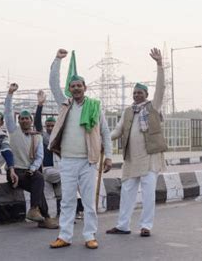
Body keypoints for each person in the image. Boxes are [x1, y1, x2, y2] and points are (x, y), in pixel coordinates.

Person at [48, 49, 113, 250]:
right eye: (73, 86)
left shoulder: (94, 107)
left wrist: (108, 156)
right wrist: (58, 59)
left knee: (88, 202)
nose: (76, 89)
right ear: (69, 89)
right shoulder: (65, 104)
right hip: (67, 160)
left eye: (79, 86)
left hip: (88, 161)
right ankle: (64, 235)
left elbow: (105, 133)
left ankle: (89, 235)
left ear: (85, 88)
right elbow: (52, 83)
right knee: (67, 201)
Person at [106, 48, 167, 238]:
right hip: (131, 159)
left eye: (140, 92)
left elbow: (161, 88)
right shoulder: (127, 111)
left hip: (149, 158)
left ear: (146, 94)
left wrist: (159, 65)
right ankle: (123, 225)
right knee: (127, 192)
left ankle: (146, 226)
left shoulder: (153, 107)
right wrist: (102, 139)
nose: (137, 95)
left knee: (148, 194)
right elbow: (118, 130)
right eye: (134, 93)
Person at [5, 83, 58, 229]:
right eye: (21, 118)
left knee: (38, 180)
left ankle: (37, 212)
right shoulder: (13, 131)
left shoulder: (37, 137)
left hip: (29, 172)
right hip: (15, 172)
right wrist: (10, 94)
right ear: (18, 121)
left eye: (27, 118)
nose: (24, 120)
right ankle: (44, 217)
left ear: (30, 120)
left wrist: (33, 168)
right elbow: (7, 112)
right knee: (38, 186)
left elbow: (39, 157)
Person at [34, 90, 61, 198]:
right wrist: (40, 105)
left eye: (52, 126)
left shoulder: (60, 137)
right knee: (68, 176)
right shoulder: (44, 137)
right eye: (48, 126)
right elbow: (37, 123)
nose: (50, 128)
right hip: (47, 170)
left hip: (59, 169)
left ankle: (78, 210)